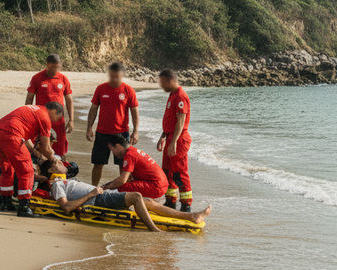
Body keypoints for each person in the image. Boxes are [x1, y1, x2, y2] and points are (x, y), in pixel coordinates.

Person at [39, 159, 211, 232]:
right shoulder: (57, 185)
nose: (61, 162)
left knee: (148, 201)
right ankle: (155, 230)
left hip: (101, 195)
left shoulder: (65, 181)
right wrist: (92, 193)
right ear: (51, 170)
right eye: (56, 163)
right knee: (136, 196)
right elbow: (67, 207)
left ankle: (192, 216)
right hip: (97, 199)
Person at [0, 102, 63, 217]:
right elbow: (46, 147)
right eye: (56, 118)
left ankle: (6, 203)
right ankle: (24, 207)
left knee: (7, 168)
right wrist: (53, 160)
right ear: (54, 112)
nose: (54, 122)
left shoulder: (32, 109)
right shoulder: (45, 117)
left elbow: (27, 140)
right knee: (27, 172)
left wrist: (36, 153)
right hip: (12, 133)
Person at [86, 61, 140, 185]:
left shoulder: (128, 90)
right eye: (112, 76)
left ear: (122, 76)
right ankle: (93, 189)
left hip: (121, 134)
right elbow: (93, 109)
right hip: (102, 133)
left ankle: (124, 192)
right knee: (98, 163)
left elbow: (134, 112)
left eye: (117, 77)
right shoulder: (101, 88)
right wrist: (89, 127)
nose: (115, 79)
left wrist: (135, 131)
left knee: (123, 166)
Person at [156, 69, 193, 212]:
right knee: (167, 171)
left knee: (179, 172)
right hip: (171, 136)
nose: (161, 86)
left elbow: (180, 122)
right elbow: (170, 121)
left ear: (170, 81)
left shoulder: (181, 96)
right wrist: (163, 136)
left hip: (179, 139)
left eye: (162, 83)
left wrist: (174, 142)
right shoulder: (172, 95)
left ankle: (186, 205)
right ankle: (170, 201)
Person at [26, 54, 73, 158]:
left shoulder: (63, 79)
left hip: (58, 121)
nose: (54, 70)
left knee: (60, 150)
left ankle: (61, 170)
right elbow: (29, 99)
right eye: (52, 67)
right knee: (40, 147)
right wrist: (28, 119)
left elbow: (69, 100)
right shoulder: (37, 78)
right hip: (40, 120)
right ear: (47, 64)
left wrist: (71, 120)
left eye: (56, 67)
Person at [102, 134, 167, 200]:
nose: (113, 153)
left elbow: (122, 181)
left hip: (157, 187)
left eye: (112, 150)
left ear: (118, 146)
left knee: (120, 188)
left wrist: (103, 188)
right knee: (126, 185)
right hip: (162, 184)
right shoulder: (133, 150)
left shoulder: (129, 155)